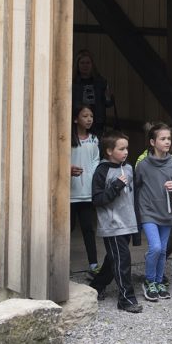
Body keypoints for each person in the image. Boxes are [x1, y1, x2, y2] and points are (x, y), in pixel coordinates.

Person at [89, 133, 143, 313]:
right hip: (112, 225)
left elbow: (132, 198)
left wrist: (137, 223)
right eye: (121, 149)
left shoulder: (128, 167)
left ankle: (97, 286)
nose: (126, 152)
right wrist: (115, 187)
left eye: (127, 148)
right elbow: (97, 199)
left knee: (114, 258)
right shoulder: (102, 170)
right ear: (109, 151)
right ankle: (126, 299)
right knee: (122, 260)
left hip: (128, 222)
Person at [135, 122, 172, 302]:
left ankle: (158, 281)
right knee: (155, 247)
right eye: (162, 139)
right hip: (148, 212)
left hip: (167, 213)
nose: (167, 142)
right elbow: (137, 187)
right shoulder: (143, 165)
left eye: (169, 139)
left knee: (163, 250)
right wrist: (137, 213)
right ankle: (149, 281)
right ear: (152, 142)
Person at [70, 105, 100, 273]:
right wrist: (68, 169)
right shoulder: (66, 138)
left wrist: (94, 179)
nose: (89, 119)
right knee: (67, 229)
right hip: (69, 192)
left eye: (91, 115)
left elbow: (96, 160)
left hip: (87, 193)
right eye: (84, 116)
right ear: (75, 119)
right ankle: (61, 264)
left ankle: (93, 264)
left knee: (88, 228)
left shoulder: (94, 139)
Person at [72, 49, 113, 138]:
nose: (85, 66)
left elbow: (108, 103)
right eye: (82, 63)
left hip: (97, 122)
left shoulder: (101, 82)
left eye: (88, 63)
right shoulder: (73, 83)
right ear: (77, 65)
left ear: (92, 64)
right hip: (78, 122)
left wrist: (108, 96)